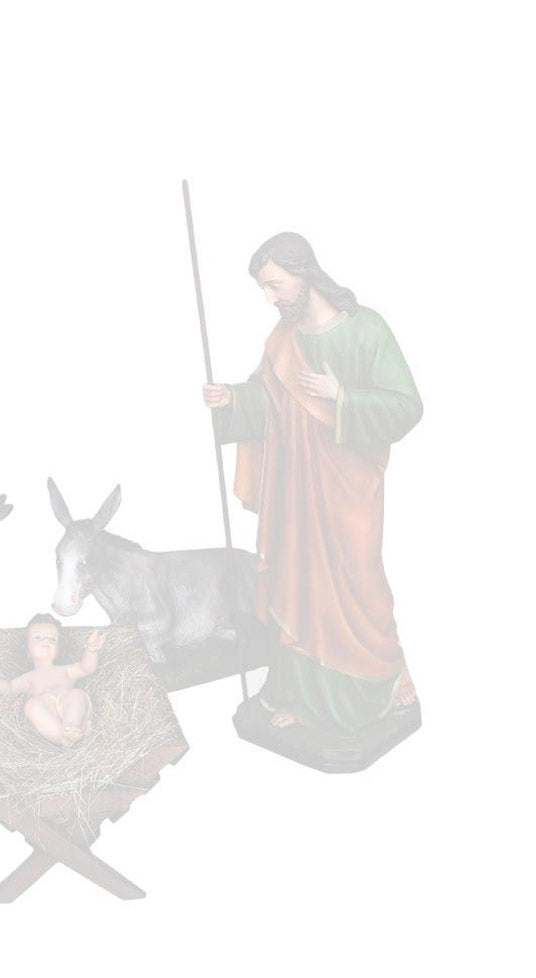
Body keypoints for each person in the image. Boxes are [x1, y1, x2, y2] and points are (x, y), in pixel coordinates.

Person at [203, 232, 421, 739]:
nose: (270, 298)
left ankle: (381, 684)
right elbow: (266, 399)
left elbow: (406, 405)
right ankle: (304, 698)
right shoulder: (283, 340)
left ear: (304, 274)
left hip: (349, 490)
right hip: (296, 492)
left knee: (359, 583)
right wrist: (231, 399)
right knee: (299, 587)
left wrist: (343, 397)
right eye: (264, 288)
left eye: (275, 285)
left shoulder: (366, 329)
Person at [0, 615, 106, 747]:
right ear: (27, 650)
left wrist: (91, 651)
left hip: (68, 707)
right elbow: (9, 688)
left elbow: (86, 668)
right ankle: (63, 738)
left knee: (76, 695)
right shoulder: (27, 678)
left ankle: (74, 727)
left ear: (59, 650)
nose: (46, 641)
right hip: (48, 714)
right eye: (38, 637)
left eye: (52, 639)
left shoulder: (66, 670)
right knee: (32, 706)